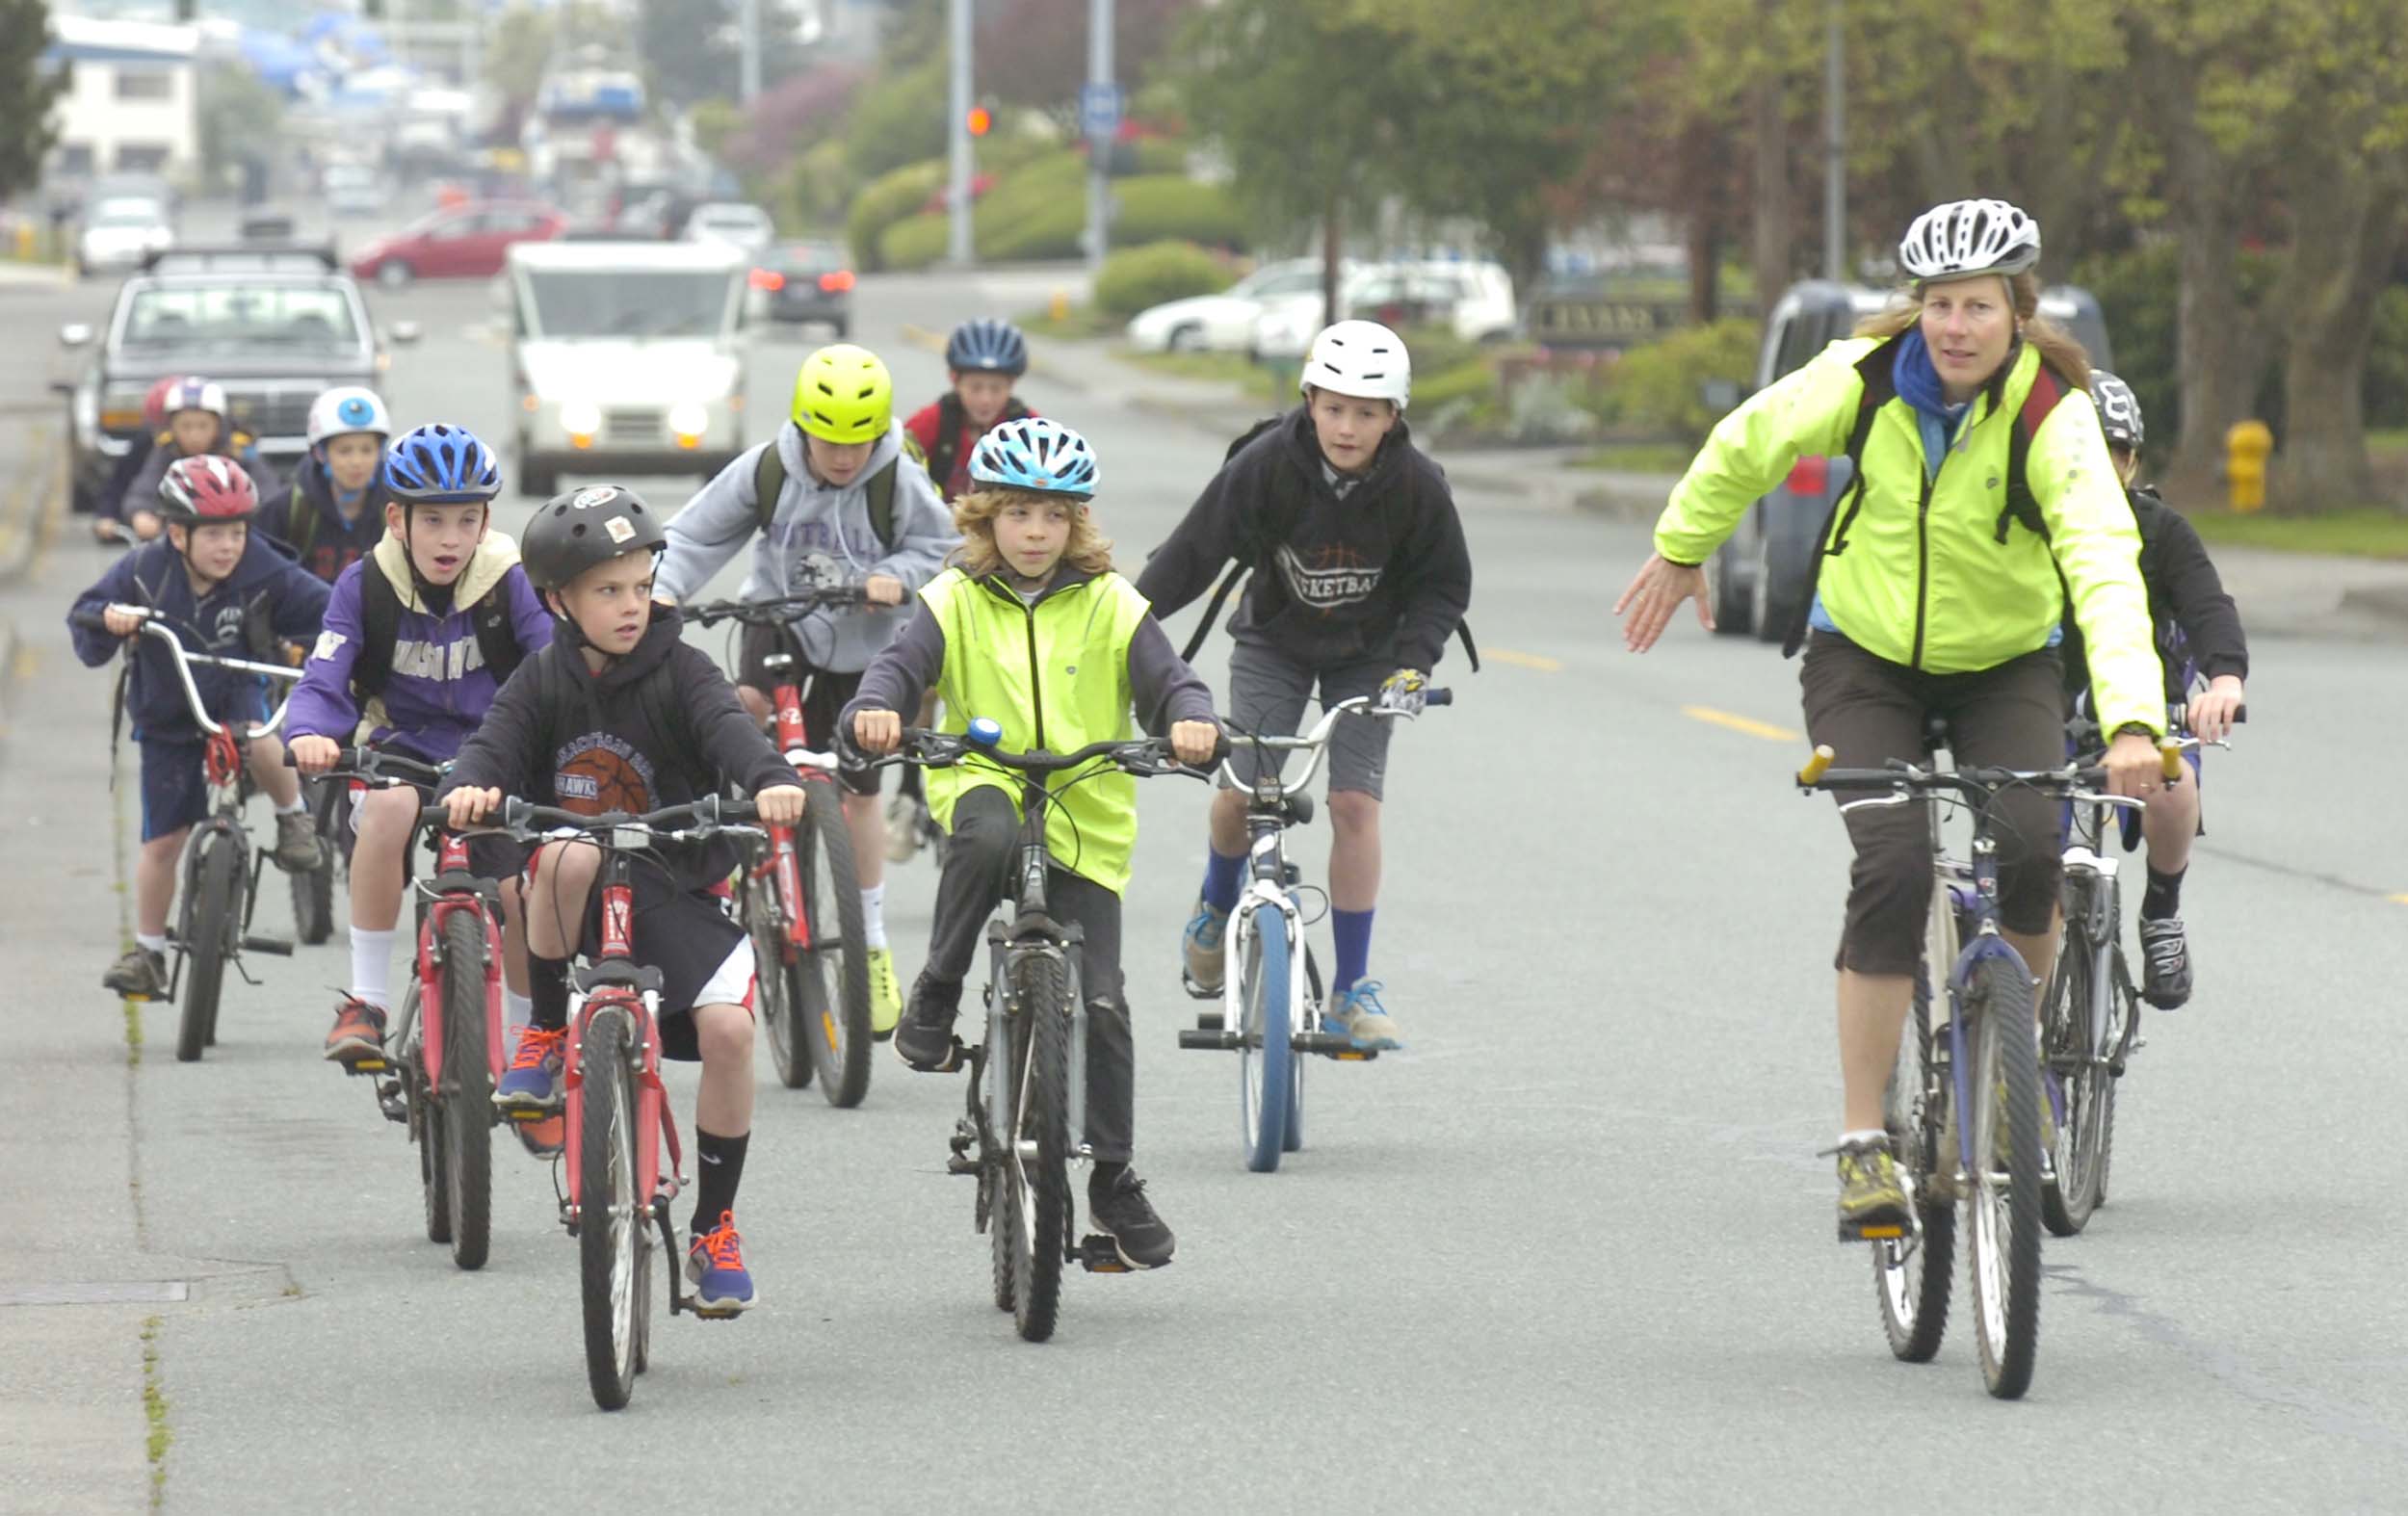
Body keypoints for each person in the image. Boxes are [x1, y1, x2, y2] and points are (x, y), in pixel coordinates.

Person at [1610, 197, 2165, 1234]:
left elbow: (2101, 556)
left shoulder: (2053, 411)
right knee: (1895, 864)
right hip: (1863, 658)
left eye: (1980, 307)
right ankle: (1866, 1138)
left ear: (2018, 314)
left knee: (2035, 844)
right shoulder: (1858, 379)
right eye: (1940, 305)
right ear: (1917, 310)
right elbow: (1747, 442)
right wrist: (1684, 545)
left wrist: (2132, 718)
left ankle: (2021, 1059)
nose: (1956, 327)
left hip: (2006, 662)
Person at [847, 417, 1219, 1270]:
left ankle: (1114, 1177)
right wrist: (878, 707)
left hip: (1086, 809)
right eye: (1018, 514)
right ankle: (937, 994)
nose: (1036, 533)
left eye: (1054, 516)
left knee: (1104, 1005)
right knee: (989, 832)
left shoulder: (1114, 602)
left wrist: (1192, 720)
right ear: (985, 518)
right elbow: (901, 666)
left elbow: (1170, 679)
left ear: (1077, 523)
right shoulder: (953, 597)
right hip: (985, 779)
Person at [438, 484, 806, 1316]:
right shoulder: (544, 676)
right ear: (559, 601)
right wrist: (468, 789)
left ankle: (715, 1228)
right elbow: (493, 744)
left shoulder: (683, 667)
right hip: (576, 888)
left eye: (641, 587)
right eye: (608, 591)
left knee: (729, 1031)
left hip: (673, 885)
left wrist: (773, 779)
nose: (631, 606)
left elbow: (731, 731)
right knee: (565, 851)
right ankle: (541, 1033)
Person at [1136, 320, 1473, 1052]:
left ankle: (1352, 988)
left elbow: (1445, 587)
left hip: (1371, 656)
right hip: (1275, 642)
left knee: (1354, 804)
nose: (1347, 428)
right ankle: (1216, 902)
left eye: (1367, 412)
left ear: (1394, 418)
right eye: (1333, 407)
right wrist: (1124, 622)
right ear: (1310, 400)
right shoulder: (1267, 465)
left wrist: (1413, 666)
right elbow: (1194, 552)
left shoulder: (1416, 487)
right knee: (1242, 792)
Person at [655, 343, 955, 1039]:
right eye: (828, 440)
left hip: (864, 646)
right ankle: (734, 849)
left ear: (879, 432)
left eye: (858, 441)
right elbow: (694, 537)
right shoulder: (766, 469)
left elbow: (943, 548)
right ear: (802, 427)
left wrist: (899, 576)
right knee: (743, 711)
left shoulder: (897, 477)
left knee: (859, 791)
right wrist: (662, 593)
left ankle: (871, 943)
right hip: (777, 622)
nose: (843, 456)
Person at [284, 423, 554, 1064]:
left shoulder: (510, 579)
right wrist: (310, 732)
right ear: (396, 519)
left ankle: (527, 1043)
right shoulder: (364, 583)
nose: (450, 538)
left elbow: (553, 669)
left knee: (518, 890)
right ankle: (368, 1000)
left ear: (486, 519)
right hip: (400, 746)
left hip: (497, 751)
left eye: (466, 519)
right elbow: (325, 673)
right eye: (431, 519)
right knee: (387, 809)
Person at [68, 457, 330, 998]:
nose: (228, 546)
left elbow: (331, 614)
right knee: (163, 841)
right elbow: (86, 614)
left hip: (236, 700)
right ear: (177, 534)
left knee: (259, 738)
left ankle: (293, 818)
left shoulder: (265, 571)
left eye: (237, 531)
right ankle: (149, 953)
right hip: (166, 714)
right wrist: (111, 617)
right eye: (213, 533)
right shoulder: (144, 570)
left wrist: (331, 647)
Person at [2061, 372, 2248, 1010]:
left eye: (2113, 453)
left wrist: (2223, 680)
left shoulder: (2161, 531)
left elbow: (2208, 607)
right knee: (2031, 858)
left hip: (2149, 710)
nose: (2099, 468)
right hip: (2044, 713)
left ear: (2132, 460)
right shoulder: (2028, 531)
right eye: (2082, 452)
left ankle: (2162, 912)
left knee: (2174, 786)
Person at [890, 319, 1039, 862]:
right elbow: (895, 481)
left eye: (995, 388)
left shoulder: (1030, 427)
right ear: (955, 381)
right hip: (941, 560)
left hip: (1008, 566)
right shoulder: (932, 425)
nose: (984, 398)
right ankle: (910, 794)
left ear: (1012, 388)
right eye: (975, 386)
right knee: (927, 685)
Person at [106, 379, 276, 543]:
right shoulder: (165, 451)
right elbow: (143, 491)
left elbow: (269, 494)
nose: (194, 436)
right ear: (172, 426)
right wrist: (140, 513)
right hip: (178, 541)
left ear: (219, 425)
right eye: (185, 426)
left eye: (203, 426)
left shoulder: (241, 451)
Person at [257, 387, 394, 585]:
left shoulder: (395, 507)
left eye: (367, 450)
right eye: (344, 451)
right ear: (321, 454)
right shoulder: (287, 510)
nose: (357, 462)